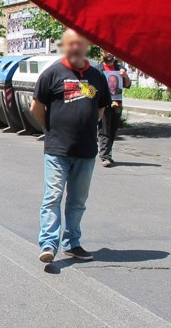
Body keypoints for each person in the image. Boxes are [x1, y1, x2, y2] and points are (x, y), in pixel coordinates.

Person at [30, 29, 112, 263]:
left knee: (77, 201)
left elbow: (101, 108)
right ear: (64, 46)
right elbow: (36, 106)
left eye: (80, 44)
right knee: (53, 197)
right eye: (71, 44)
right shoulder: (52, 73)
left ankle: (72, 243)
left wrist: (83, 127)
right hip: (57, 150)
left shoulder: (97, 76)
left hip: (86, 151)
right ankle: (48, 243)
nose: (75, 48)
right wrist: (52, 129)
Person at [97, 51, 131, 166]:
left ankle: (108, 154)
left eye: (111, 52)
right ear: (102, 53)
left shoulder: (120, 68)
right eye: (107, 52)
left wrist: (125, 76)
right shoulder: (98, 70)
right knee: (104, 130)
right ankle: (104, 156)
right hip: (103, 104)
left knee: (112, 130)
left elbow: (127, 85)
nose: (110, 54)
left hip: (117, 104)